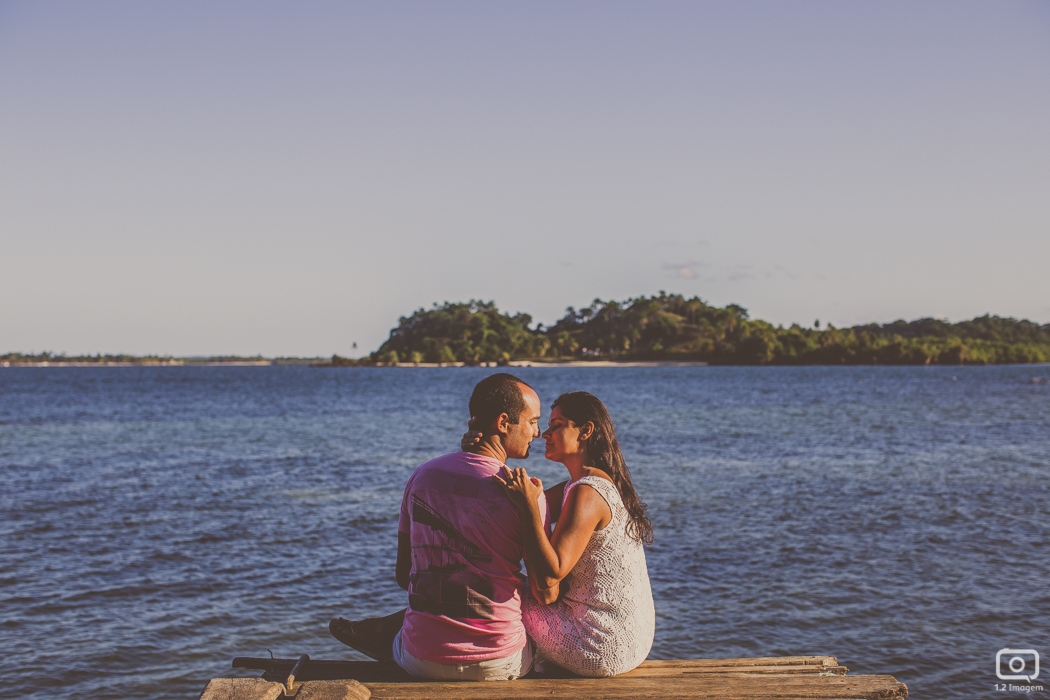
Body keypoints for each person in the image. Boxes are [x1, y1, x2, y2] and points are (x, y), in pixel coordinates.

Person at [329, 373, 549, 681]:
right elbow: (545, 588)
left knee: (411, 623)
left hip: (421, 659)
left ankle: (379, 631)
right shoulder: (527, 495)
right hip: (500, 662)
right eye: (533, 421)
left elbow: (404, 576)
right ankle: (382, 630)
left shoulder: (422, 477)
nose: (538, 433)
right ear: (503, 423)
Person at [491, 391, 655, 677]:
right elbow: (519, 499)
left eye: (557, 425)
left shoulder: (587, 491)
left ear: (585, 431)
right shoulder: (588, 483)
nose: (544, 433)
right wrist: (481, 450)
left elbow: (550, 575)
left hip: (598, 644)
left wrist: (528, 505)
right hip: (631, 639)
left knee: (491, 592)